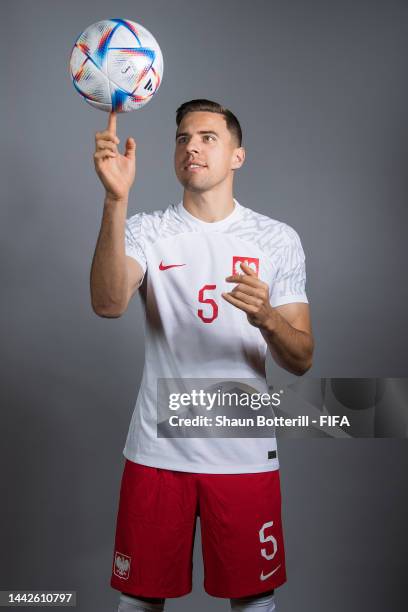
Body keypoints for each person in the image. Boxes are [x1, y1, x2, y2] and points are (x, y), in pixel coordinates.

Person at [90, 99, 314, 612]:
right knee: (139, 600)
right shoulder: (147, 230)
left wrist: (268, 319)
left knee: (254, 599)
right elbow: (106, 303)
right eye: (183, 138)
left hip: (243, 455)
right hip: (157, 453)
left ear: (238, 156)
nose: (192, 146)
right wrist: (114, 200)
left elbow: (301, 358)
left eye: (208, 137)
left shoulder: (276, 239)